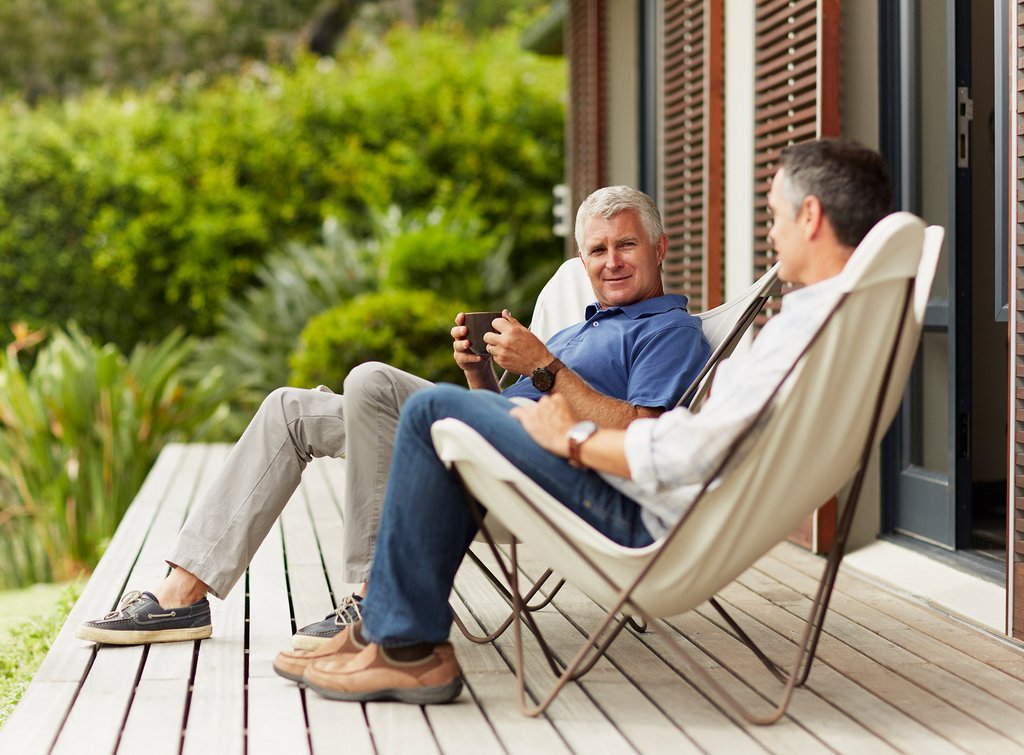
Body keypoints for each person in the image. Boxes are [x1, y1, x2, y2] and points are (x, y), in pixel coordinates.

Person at [274, 138, 894, 704]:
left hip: (634, 514)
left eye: (776, 216)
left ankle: (400, 642)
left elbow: (682, 449)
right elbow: (700, 442)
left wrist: (569, 436)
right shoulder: (822, 330)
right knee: (408, 403)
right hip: (613, 483)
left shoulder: (777, 338)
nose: (771, 232)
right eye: (598, 249)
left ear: (809, 217)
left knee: (429, 412)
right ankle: (394, 633)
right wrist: (499, 383)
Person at [77, 186, 712, 647]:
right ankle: (182, 595)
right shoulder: (584, 326)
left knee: (371, 381)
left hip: (551, 473)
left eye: (626, 245)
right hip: (490, 440)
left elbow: (643, 434)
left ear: (658, 247)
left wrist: (544, 365)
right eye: (597, 251)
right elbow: (516, 400)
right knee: (289, 410)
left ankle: (369, 597)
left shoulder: (669, 332)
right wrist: (477, 374)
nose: (612, 262)